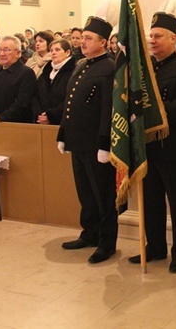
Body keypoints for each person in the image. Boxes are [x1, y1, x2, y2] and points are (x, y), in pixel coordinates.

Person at [129, 0, 176, 273]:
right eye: (151, 36)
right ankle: (154, 247)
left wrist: (155, 110)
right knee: (152, 201)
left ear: (173, 39)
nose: (152, 40)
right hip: (147, 147)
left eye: (158, 36)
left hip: (172, 146)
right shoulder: (144, 70)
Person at [57, 16, 118, 264]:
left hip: (96, 145)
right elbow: (69, 103)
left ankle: (106, 242)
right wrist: (63, 134)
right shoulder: (81, 65)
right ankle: (89, 233)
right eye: (82, 38)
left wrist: (105, 143)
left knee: (103, 195)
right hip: (77, 141)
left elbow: (108, 109)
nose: (83, 42)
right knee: (85, 193)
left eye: (89, 38)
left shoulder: (110, 68)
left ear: (103, 42)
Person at [32, 38, 75, 125]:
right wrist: (39, 114)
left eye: (57, 50)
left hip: (62, 121)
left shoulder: (73, 72)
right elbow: (34, 94)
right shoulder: (46, 72)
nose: (53, 52)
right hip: (41, 120)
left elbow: (71, 99)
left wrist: (51, 115)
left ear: (67, 52)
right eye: (51, 50)